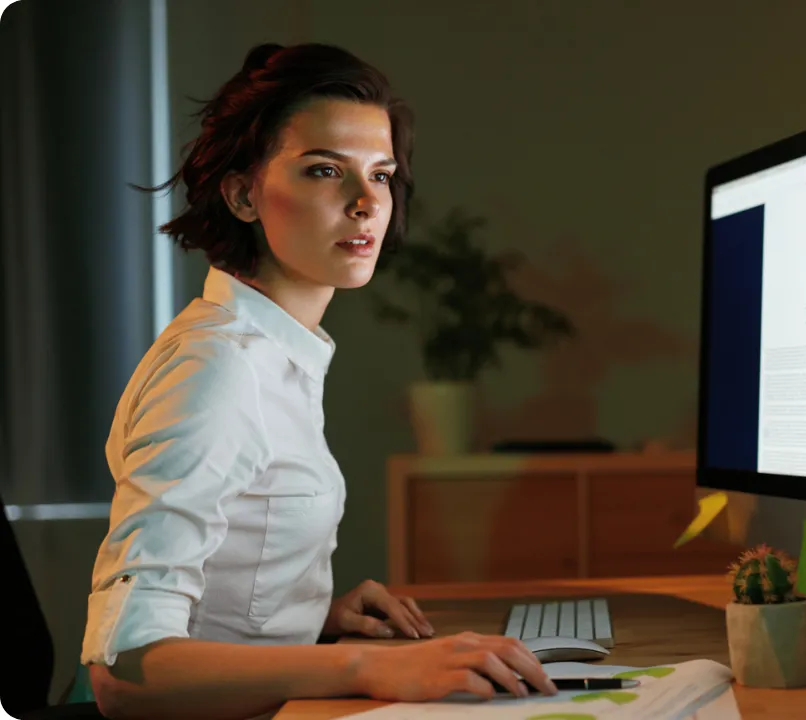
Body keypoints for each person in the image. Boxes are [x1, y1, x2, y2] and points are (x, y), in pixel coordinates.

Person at [82, 42, 556, 720]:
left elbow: (216, 584)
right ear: (244, 194)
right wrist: (369, 665)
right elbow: (125, 673)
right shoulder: (215, 369)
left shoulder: (278, 353)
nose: (366, 202)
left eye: (382, 175)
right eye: (325, 171)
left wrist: (304, 617)